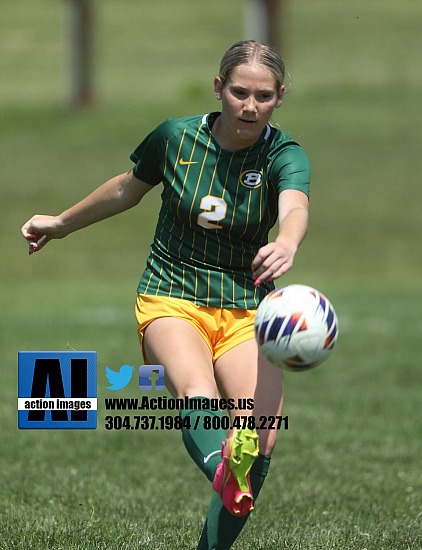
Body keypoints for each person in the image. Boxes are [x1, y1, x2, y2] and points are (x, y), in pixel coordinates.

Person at [21, 40, 310, 549]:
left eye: (263, 96)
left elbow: (294, 204)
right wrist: (61, 223)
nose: (249, 105)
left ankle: (220, 508)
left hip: (248, 306)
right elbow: (125, 189)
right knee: (197, 394)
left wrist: (287, 241)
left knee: (260, 437)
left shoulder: (284, 154)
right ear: (218, 88)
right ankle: (224, 465)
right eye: (239, 92)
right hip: (171, 294)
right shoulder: (175, 138)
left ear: (280, 97)